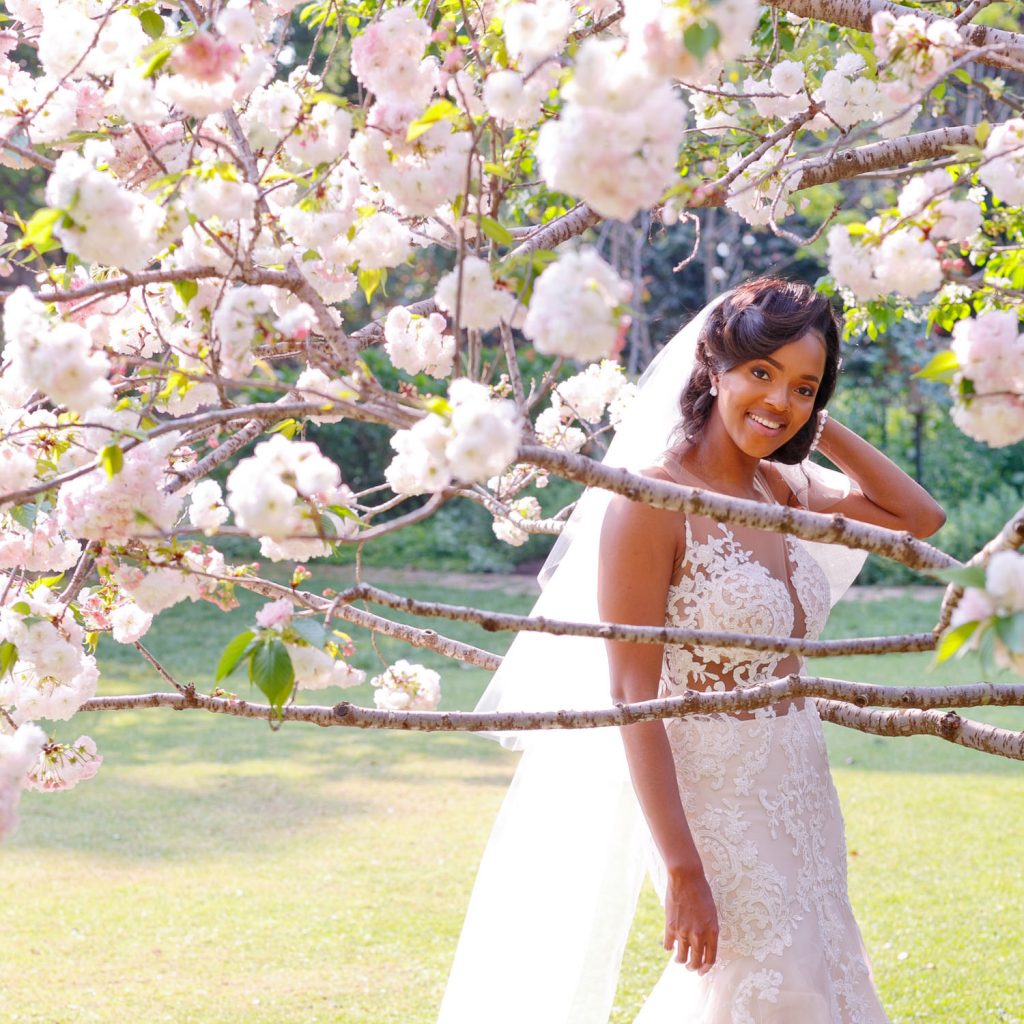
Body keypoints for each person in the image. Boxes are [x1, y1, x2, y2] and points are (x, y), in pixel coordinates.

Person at [437, 278, 945, 1024]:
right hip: (714, 809)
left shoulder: (785, 488)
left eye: (804, 386)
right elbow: (634, 699)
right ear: (713, 369)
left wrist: (813, 420)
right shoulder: (651, 500)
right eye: (761, 373)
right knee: (765, 984)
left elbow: (917, 517)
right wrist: (681, 868)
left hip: (801, 786)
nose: (778, 401)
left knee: (820, 970)